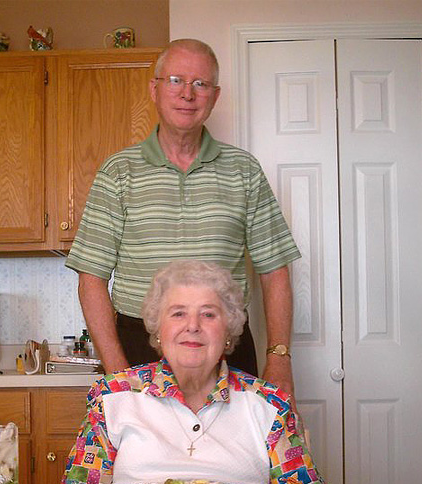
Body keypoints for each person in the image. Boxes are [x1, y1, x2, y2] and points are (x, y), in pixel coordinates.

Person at [65, 38, 300, 397]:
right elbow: (92, 279)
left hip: (227, 350)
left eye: (200, 84)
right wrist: (117, 373)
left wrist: (279, 358)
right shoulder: (117, 172)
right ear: (155, 90)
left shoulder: (244, 170)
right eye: (175, 80)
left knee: (238, 454)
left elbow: (275, 271)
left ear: (215, 96)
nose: (187, 94)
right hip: (138, 350)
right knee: (145, 455)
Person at [61, 261, 328, 484]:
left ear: (229, 331)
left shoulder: (271, 404)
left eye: (208, 314)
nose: (192, 326)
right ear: (158, 329)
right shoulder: (112, 396)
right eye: (178, 313)